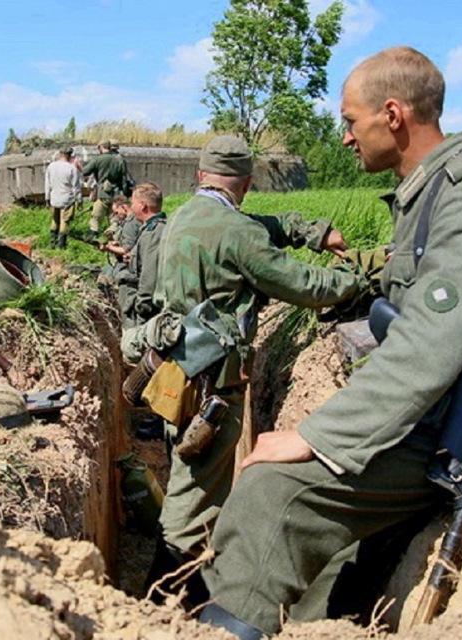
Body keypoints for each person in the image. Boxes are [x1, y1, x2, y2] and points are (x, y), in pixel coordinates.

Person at [198, 47, 462, 638]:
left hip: (458, 425)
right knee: (326, 566)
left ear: (392, 115)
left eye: (349, 120)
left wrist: (314, 438)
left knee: (267, 493)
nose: (343, 137)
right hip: (434, 409)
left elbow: (429, 346)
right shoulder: (431, 188)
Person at [142, 134, 366, 606]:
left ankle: (187, 585)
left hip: (177, 375)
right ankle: (161, 602)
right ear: (245, 183)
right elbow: (303, 283)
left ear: (201, 176)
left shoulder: (186, 216)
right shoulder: (236, 231)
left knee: (195, 482)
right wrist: (359, 277)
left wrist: (311, 230)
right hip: (213, 386)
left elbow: (253, 228)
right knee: (193, 494)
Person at [120, 182, 166, 329]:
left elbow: (149, 273)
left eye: (133, 202)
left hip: (145, 312)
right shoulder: (155, 228)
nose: (131, 207)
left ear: (142, 205)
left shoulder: (153, 232)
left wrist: (142, 307)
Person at [81, 139, 129, 241]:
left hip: (102, 192)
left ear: (100, 147)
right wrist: (125, 192)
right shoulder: (120, 159)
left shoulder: (98, 159)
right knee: (114, 216)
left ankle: (93, 236)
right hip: (116, 193)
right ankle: (113, 233)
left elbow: (85, 171)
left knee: (96, 216)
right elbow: (124, 178)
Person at [44, 148, 81, 248]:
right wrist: (79, 200)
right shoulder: (72, 169)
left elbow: (47, 184)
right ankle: (61, 244)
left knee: (55, 220)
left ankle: (52, 242)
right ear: (70, 156)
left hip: (54, 198)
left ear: (60, 154)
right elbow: (76, 187)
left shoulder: (51, 167)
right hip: (67, 199)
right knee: (64, 221)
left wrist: (47, 198)